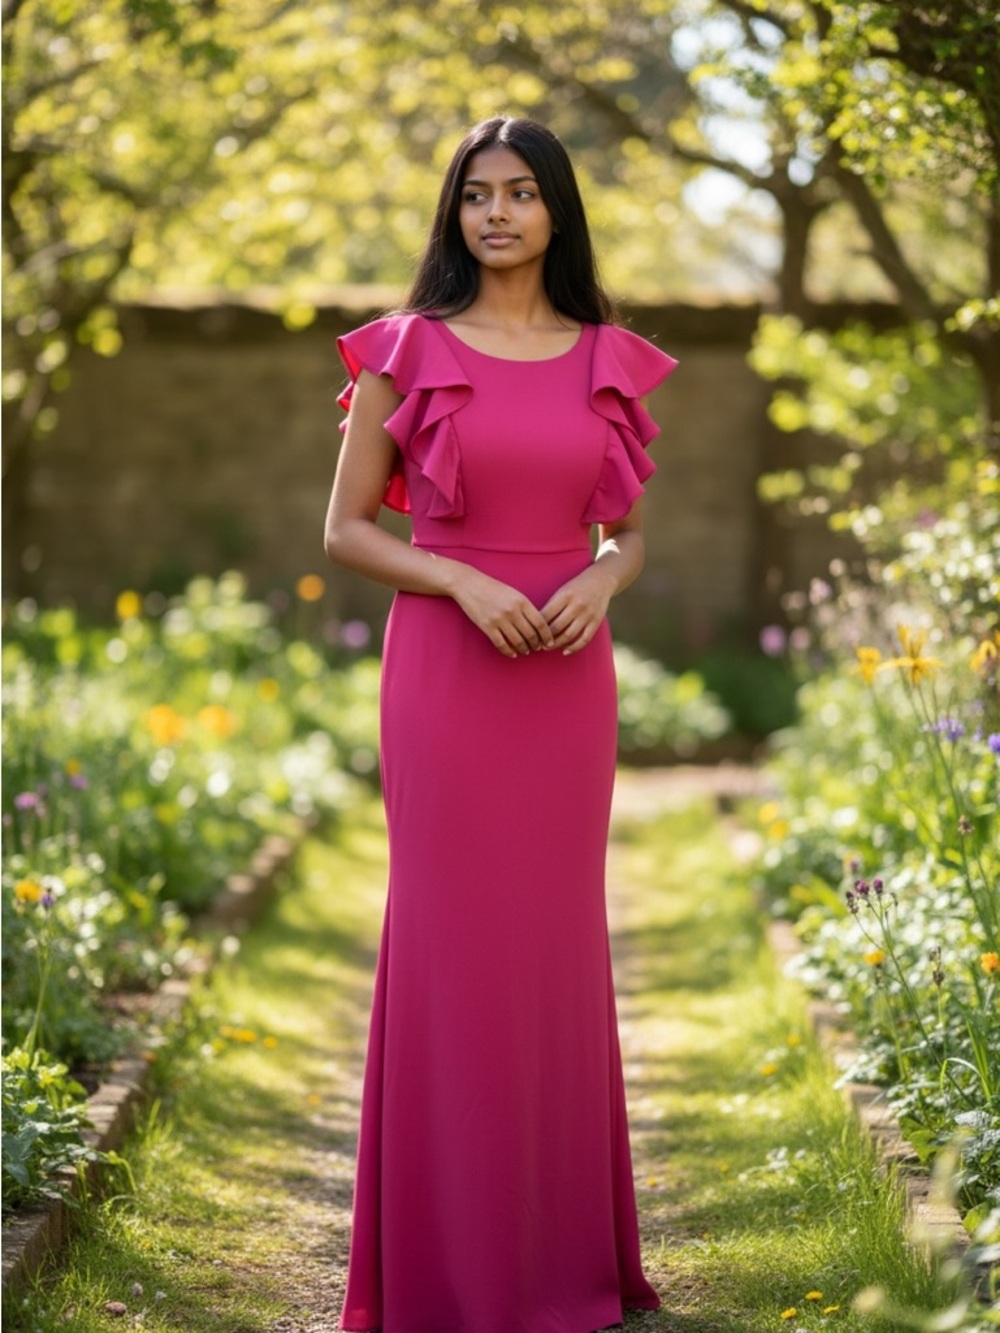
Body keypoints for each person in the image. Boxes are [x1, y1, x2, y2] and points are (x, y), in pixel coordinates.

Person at [324, 115, 678, 1333]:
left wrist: (596, 580)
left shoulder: (607, 357)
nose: (498, 214)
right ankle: (438, 1265)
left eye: (524, 193)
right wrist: (465, 580)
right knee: (446, 941)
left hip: (565, 682)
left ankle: (562, 1257)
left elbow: (626, 533)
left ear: (557, 212)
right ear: (453, 211)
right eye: (478, 194)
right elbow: (347, 530)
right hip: (446, 673)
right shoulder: (405, 351)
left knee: (551, 948)